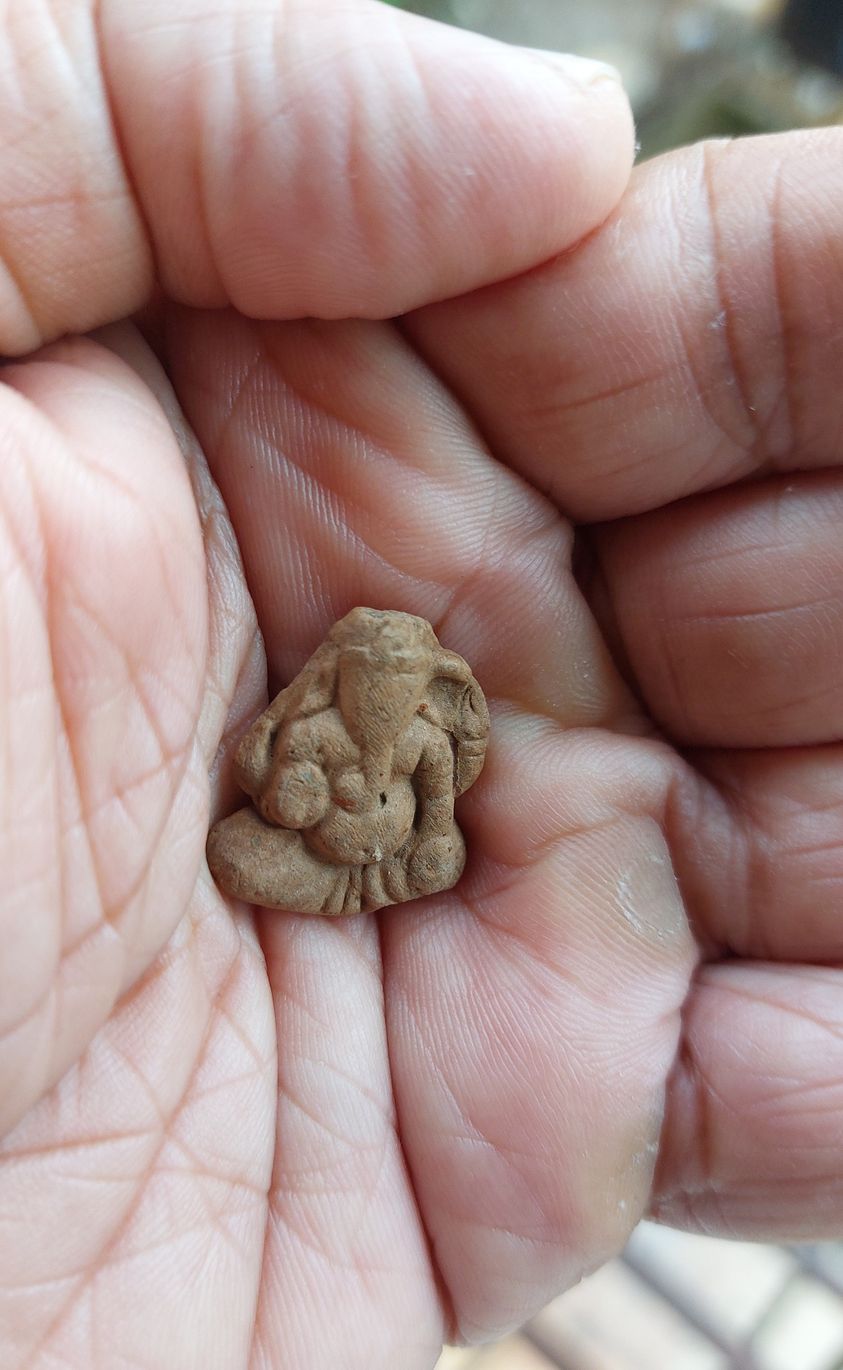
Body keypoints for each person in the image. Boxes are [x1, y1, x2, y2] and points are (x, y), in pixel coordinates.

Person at [0, 2, 840, 1367]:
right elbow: (266, 782)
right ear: (350, 671)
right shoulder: (321, 714)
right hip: (319, 853)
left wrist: (407, 819)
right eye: (370, 676)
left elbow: (440, 819)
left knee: (419, 853)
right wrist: (313, 784)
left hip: (384, 855)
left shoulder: (435, 729)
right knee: (248, 842)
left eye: (404, 680)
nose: (386, 695)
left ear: (428, 680)